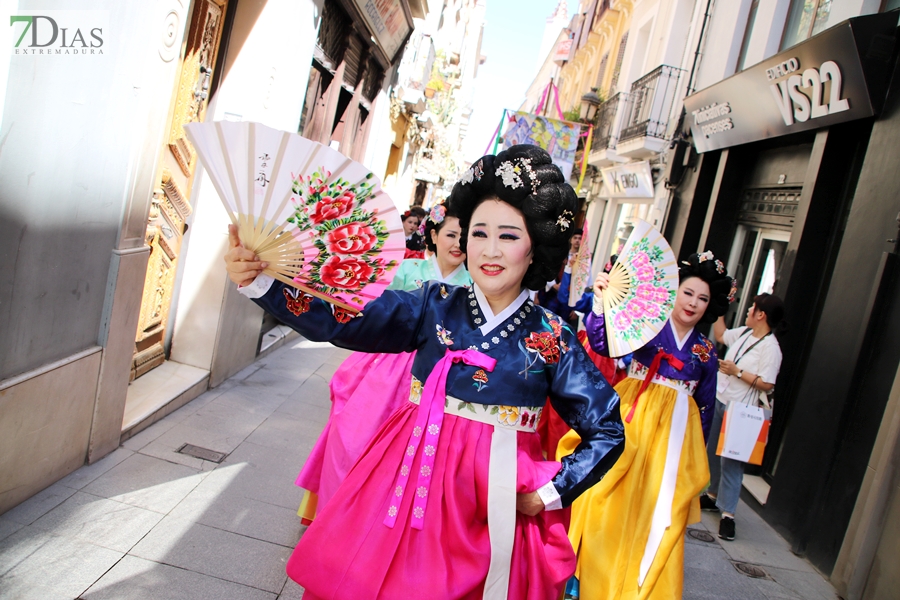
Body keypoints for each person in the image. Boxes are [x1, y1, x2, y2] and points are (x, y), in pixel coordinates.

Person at [225, 144, 625, 600]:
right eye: (479, 234)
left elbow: (608, 430)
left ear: (536, 247)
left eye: (509, 236)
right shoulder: (434, 304)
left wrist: (550, 493)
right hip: (409, 472)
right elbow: (350, 316)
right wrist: (262, 282)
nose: (490, 251)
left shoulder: (552, 337)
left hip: (492, 504)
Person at [559, 250, 734, 600]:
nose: (693, 303)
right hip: (632, 417)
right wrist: (600, 302)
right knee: (601, 493)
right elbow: (602, 341)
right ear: (674, 291)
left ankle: (637, 585)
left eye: (703, 298)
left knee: (657, 509)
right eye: (688, 293)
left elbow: (705, 407)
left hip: (673, 438)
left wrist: (692, 457)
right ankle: (583, 575)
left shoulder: (705, 354)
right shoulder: (647, 325)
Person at [295, 201, 471, 522]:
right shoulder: (407, 269)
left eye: (465, 236)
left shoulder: (473, 285)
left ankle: (379, 522)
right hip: (388, 363)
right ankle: (341, 514)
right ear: (433, 235)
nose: (457, 244)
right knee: (354, 436)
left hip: (436, 373)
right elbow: (375, 309)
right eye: (450, 234)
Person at [701, 293, 786, 541]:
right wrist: (719, 303)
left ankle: (728, 515)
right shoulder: (745, 333)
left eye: (752, 307)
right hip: (722, 399)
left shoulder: (771, 348)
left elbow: (768, 383)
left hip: (741, 410)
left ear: (761, 315)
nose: (748, 309)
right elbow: (720, 335)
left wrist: (738, 372)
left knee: (732, 461)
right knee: (713, 451)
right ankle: (713, 495)